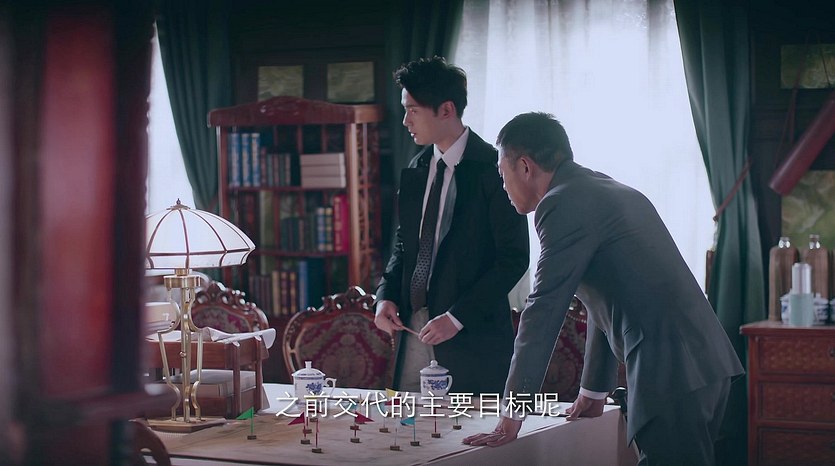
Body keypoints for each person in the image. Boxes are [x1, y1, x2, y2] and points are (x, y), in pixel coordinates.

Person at [462, 112, 744, 465]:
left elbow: (543, 310)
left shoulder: (561, 203)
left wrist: (513, 411)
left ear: (525, 166)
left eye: (502, 174)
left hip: (670, 368)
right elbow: (606, 296)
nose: (503, 187)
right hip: (699, 362)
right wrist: (594, 390)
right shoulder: (599, 188)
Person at [374, 57, 529, 395]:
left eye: (413, 110)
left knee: (469, 426)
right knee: (409, 425)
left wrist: (457, 317)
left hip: (473, 338)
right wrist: (385, 296)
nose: (405, 121)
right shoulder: (417, 167)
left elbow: (513, 259)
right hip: (413, 332)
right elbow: (404, 246)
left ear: (446, 110)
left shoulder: (493, 168)